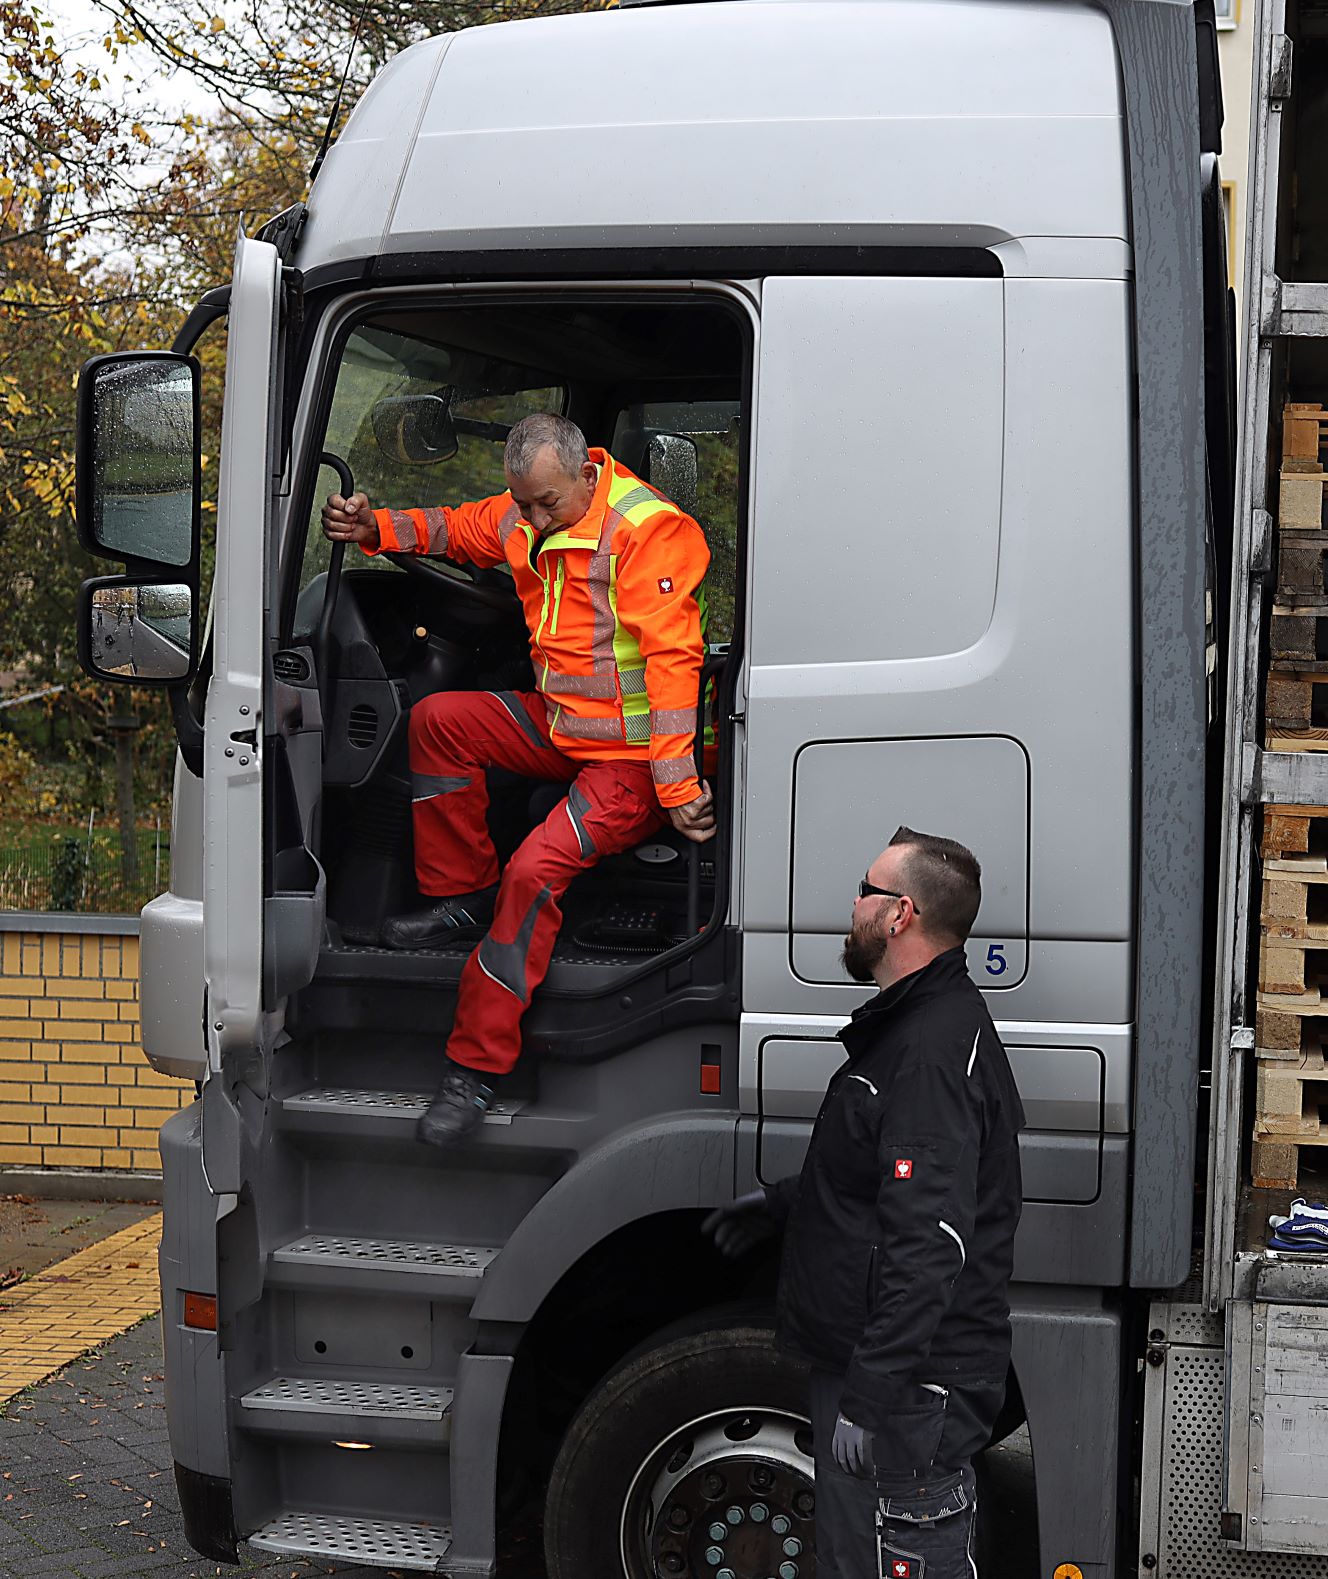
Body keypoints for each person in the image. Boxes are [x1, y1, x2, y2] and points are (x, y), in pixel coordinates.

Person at [321, 412, 715, 1147]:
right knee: (438, 720)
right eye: (524, 505)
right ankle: (459, 898)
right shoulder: (519, 514)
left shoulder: (647, 531)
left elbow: (672, 661)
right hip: (564, 727)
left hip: (630, 763)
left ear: (588, 476)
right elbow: (449, 528)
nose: (532, 520)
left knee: (532, 869)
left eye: (547, 506)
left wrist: (678, 783)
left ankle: (473, 1069)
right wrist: (372, 526)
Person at [704, 827, 1024, 1579]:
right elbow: (888, 1182)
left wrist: (871, 1394)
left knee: (891, 1558)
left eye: (866, 888)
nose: (853, 902)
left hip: (909, 1390)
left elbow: (932, 1242)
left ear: (900, 913)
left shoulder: (929, 1053)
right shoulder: (913, 1027)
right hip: (888, 1376)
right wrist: (789, 1203)